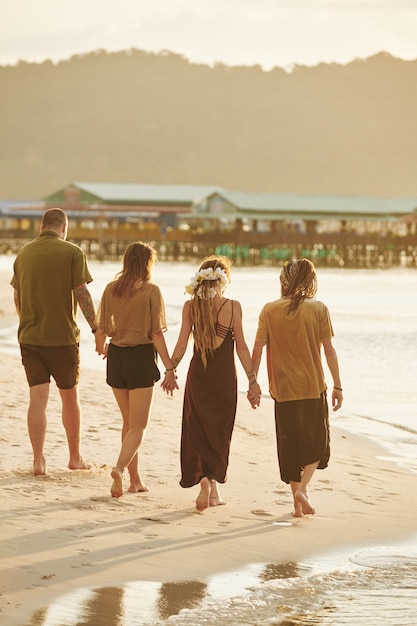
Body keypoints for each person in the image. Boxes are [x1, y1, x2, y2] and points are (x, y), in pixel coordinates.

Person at [167, 255, 261, 512]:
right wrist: (253, 382)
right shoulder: (233, 307)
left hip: (199, 375)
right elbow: (241, 346)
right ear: (224, 280)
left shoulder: (191, 307)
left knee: (198, 428)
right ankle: (211, 482)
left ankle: (207, 485)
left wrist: (169, 369)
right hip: (224, 378)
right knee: (220, 430)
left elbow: (182, 344)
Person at [251, 258, 343, 517]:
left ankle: (297, 505)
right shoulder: (318, 308)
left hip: (282, 389)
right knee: (317, 444)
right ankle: (303, 489)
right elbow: (329, 350)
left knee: (289, 446)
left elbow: (258, 348)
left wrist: (253, 381)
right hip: (312, 386)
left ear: (283, 281)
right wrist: (338, 385)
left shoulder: (269, 310)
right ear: (309, 281)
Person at [11, 208, 97, 476]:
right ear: (64, 227)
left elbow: (17, 296)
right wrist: (96, 327)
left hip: (30, 338)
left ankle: (38, 461)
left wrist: (28, 321)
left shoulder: (24, 253)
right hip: (62, 339)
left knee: (37, 399)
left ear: (41, 227)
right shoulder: (72, 252)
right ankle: (75, 457)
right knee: (69, 397)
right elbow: (81, 292)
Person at [94, 241, 178, 498]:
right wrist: (170, 367)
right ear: (147, 263)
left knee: (129, 423)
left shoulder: (111, 289)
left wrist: (103, 349)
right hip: (140, 358)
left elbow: (101, 330)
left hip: (117, 358)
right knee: (139, 426)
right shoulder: (151, 291)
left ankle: (134, 480)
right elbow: (156, 334)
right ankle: (119, 469)